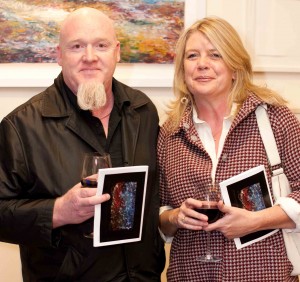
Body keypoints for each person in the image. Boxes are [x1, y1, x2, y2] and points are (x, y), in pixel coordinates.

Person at [0, 7, 165, 281]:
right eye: (77, 46)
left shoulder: (143, 111)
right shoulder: (21, 126)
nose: (90, 57)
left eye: (101, 45)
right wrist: (57, 211)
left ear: (117, 52)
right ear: (59, 55)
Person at [158, 16, 300, 281]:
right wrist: (176, 217)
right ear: (183, 70)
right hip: (190, 275)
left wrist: (256, 221)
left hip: (266, 275)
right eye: (192, 56)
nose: (202, 64)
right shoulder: (170, 134)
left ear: (235, 67)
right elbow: (159, 212)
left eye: (215, 54)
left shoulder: (275, 119)